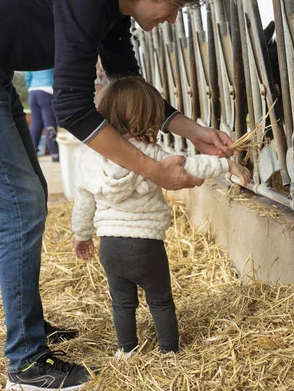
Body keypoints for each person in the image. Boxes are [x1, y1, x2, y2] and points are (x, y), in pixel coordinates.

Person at [0, 0, 237, 390]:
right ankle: (25, 366)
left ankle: (30, 330)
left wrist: (195, 132)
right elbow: (73, 107)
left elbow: (129, 91)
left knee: (29, 200)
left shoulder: (109, 2)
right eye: (175, 5)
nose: (172, 17)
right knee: (21, 208)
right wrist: (153, 169)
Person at [72, 77, 250, 356]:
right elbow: (195, 164)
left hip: (110, 247)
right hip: (146, 246)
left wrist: (81, 236)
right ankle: (169, 351)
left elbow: (83, 203)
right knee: (161, 302)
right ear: (147, 119)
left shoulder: (90, 158)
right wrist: (227, 164)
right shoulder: (152, 155)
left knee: (121, 303)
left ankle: (126, 351)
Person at [25, 69, 59, 161]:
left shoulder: (31, 59)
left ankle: (32, 153)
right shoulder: (52, 55)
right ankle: (55, 153)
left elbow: (27, 77)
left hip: (33, 92)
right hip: (47, 91)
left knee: (36, 124)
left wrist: (31, 87)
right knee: (50, 124)